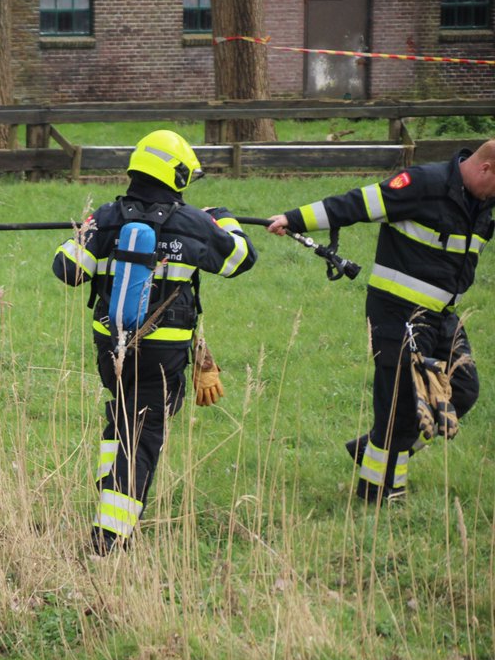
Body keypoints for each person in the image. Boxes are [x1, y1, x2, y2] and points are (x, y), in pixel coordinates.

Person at [52, 130, 257, 553]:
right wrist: (223, 218)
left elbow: (67, 269)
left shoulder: (108, 216)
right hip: (162, 357)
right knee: (143, 438)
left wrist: (87, 230)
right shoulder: (194, 223)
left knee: (124, 414)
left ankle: (109, 481)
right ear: (179, 175)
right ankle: (109, 537)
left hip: (110, 349)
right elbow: (241, 258)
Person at [268, 139, 495, 504]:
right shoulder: (424, 184)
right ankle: (379, 494)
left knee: (463, 391)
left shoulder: (484, 202)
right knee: (400, 407)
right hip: (397, 312)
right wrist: (294, 219)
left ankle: (371, 448)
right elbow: (358, 203)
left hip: (442, 316)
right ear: (486, 169)